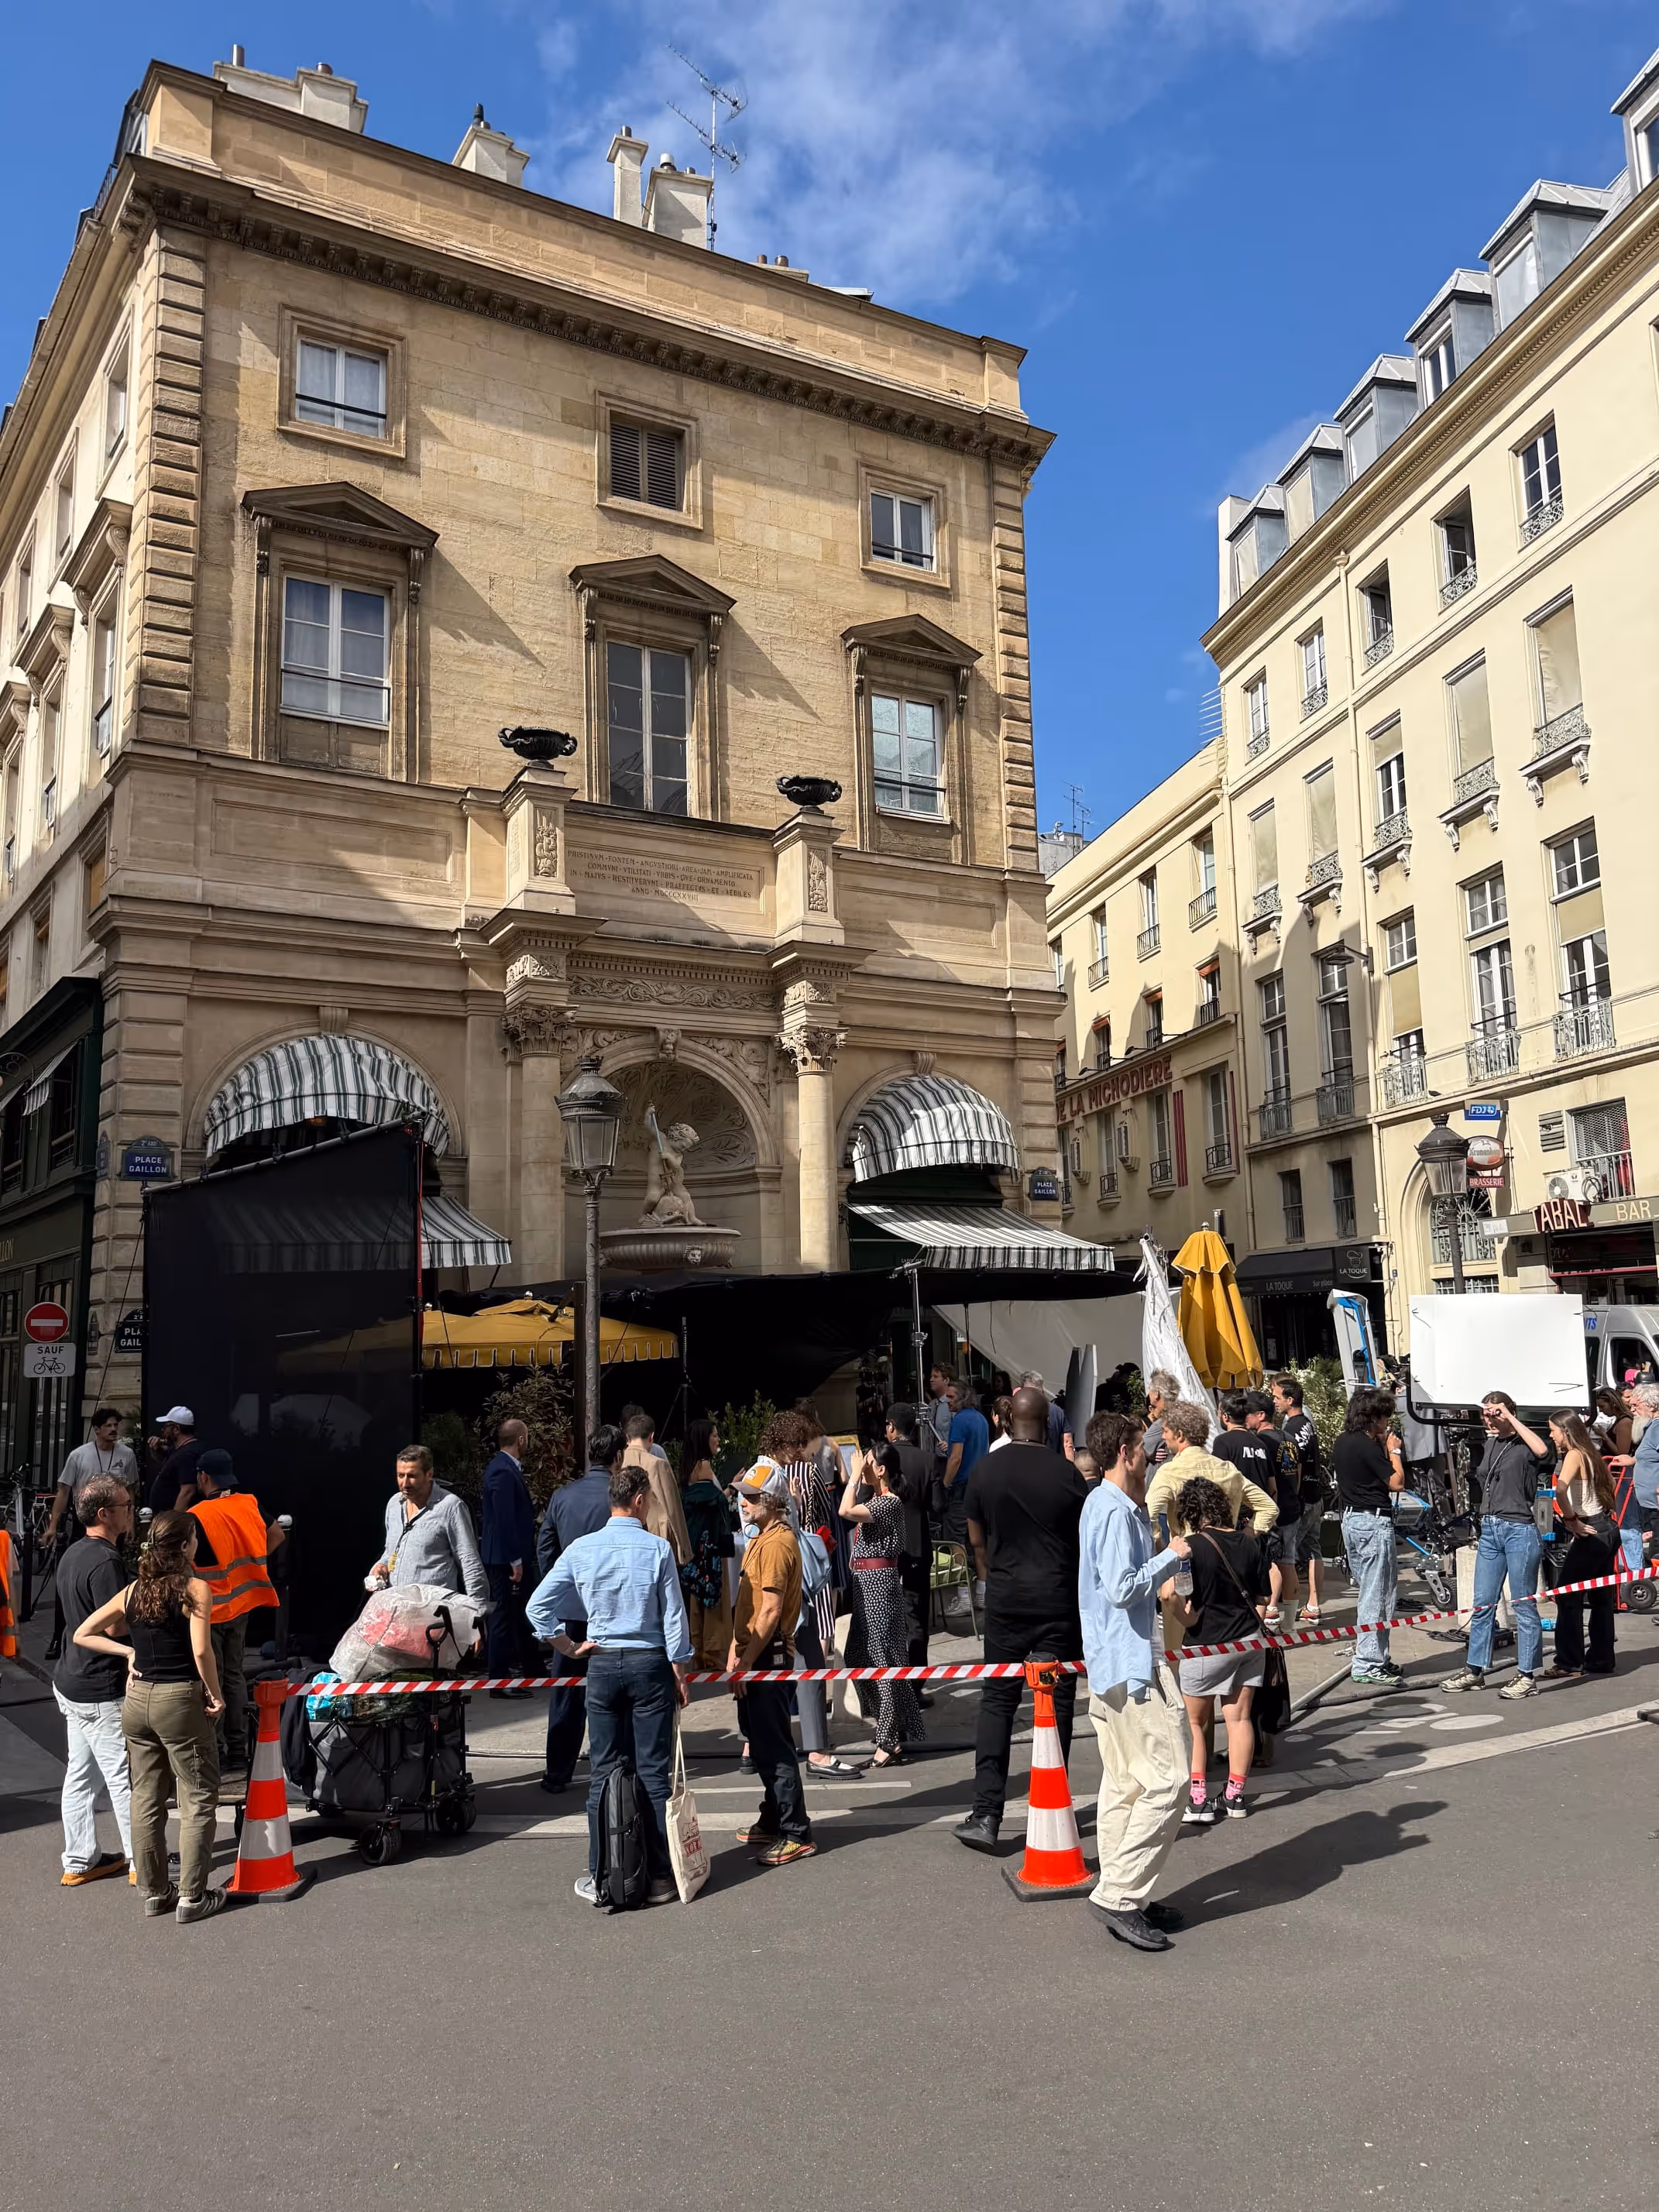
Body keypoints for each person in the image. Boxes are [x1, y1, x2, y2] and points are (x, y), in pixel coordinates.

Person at [526, 1460, 692, 1907]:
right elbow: (674, 1616)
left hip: (600, 1663)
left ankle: (602, 1873)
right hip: (649, 1663)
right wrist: (680, 1670)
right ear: (638, 1500)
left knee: (603, 1772)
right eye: (650, 1500)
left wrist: (567, 1646)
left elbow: (537, 1607)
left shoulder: (582, 1549)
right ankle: (660, 1877)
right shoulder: (657, 1550)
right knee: (653, 1774)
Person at [953, 1384, 1089, 1853]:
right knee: (1059, 1700)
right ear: (1049, 1424)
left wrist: (991, 1574)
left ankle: (987, 1812)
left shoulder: (986, 1469)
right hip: (1057, 1599)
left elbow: (975, 1539)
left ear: (1008, 1421)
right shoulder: (1067, 1474)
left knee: (999, 1702)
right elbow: (1081, 1540)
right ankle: (1055, 1801)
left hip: (1007, 1599)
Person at [73, 1510, 227, 1923]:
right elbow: (201, 1651)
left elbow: (83, 1633)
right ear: (183, 1546)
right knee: (196, 1797)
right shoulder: (196, 1589)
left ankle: (155, 1892)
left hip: (136, 1700)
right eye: (193, 1537)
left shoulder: (133, 1591)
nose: (196, 1543)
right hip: (179, 1700)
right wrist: (215, 1695)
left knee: (146, 1797)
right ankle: (193, 1897)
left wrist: (129, 1653)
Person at [1077, 1409, 1192, 1953]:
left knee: (1125, 1783)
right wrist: (1171, 1556)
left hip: (1111, 1662)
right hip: (1130, 1663)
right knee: (1169, 1780)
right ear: (1126, 1453)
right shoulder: (1117, 1511)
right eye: (1143, 1449)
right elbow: (1124, 1588)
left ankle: (1123, 1891)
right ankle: (1122, 1894)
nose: (1149, 1456)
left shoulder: (1103, 1504)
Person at [761, 1410, 864, 1779]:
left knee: (777, 1659)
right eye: (798, 1445)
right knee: (808, 1655)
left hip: (777, 1578)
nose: (802, 1452)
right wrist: (793, 1504)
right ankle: (816, 1750)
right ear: (787, 1444)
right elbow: (790, 1523)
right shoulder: (779, 1476)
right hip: (793, 1576)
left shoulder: (759, 1472)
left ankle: (756, 1744)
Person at [1167, 1472, 1269, 1827]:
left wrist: (1188, 1619)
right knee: (1239, 1719)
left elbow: (1171, 1596)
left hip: (1204, 1646)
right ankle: (1235, 1794)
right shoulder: (1249, 1543)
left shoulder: (1191, 1547)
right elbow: (1263, 1595)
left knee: (1195, 1722)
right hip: (1249, 1643)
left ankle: (1198, 1800)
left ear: (1191, 1512)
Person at [51, 1473, 136, 1887]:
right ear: (105, 1514)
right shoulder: (106, 1561)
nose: (130, 1511)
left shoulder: (73, 1553)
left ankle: (80, 1860)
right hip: (100, 1688)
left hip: (71, 1680)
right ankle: (143, 1864)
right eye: (125, 1505)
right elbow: (116, 1627)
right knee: (123, 1777)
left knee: (80, 1775)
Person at [729, 1464, 816, 1867]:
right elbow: (748, 1609)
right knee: (760, 1739)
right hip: (756, 1653)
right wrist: (736, 1647)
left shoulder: (779, 1543)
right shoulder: (761, 1538)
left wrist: (745, 1658)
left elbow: (770, 1611)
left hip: (769, 1654)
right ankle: (774, 1818)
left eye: (749, 1495)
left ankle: (796, 1831)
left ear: (770, 1501)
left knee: (773, 1744)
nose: (742, 1501)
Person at [1441, 1393, 1554, 1699]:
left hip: (1519, 1529)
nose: (1489, 1420)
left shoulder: (1524, 1444)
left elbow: (1543, 1451)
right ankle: (1475, 1669)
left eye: (1495, 1414)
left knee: (1523, 1605)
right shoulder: (1490, 1443)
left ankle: (1527, 1675)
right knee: (1482, 1604)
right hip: (1491, 1528)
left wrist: (1510, 1417)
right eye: (1487, 1415)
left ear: (1510, 1412)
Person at [1145, 1400, 1276, 1661]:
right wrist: (1246, 1535)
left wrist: (1161, 1549)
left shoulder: (1169, 1472)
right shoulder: (1226, 1469)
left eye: (1166, 1432)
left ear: (1180, 1435)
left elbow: (1147, 1516)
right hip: (1230, 1565)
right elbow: (1269, 1507)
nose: (1163, 1437)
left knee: (1182, 1656)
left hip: (1187, 1567)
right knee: (1232, 1648)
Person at [535, 1425, 623, 1792]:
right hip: (611, 1608)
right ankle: (613, 1769)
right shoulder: (619, 1498)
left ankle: (558, 1772)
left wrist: (559, 1587)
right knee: (613, 1691)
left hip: (570, 1608)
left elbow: (545, 1547)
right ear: (618, 1457)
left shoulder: (563, 1496)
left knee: (567, 1692)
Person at [188, 1448, 281, 1767]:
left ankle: (215, 1749)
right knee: (235, 1676)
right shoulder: (249, 1503)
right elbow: (278, 1535)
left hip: (210, 1610)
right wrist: (254, 1566)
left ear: (204, 1477)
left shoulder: (198, 1514)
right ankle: (240, 1751)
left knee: (209, 1679)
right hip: (242, 1604)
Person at [840, 1444, 925, 1767]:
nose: (863, 1465)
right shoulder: (877, 1499)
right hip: (866, 1585)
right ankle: (889, 1722)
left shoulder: (888, 1503)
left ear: (881, 1469)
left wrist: (852, 1482)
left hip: (879, 1584)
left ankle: (889, 1737)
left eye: (869, 1462)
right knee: (858, 1654)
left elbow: (845, 1511)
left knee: (881, 1658)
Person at [1332, 1386, 1406, 1689]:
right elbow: (1397, 1482)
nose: (1387, 1424)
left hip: (1352, 1519)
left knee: (1370, 1591)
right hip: (1373, 1521)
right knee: (1378, 1595)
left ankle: (1375, 1655)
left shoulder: (1343, 1441)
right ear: (1372, 1417)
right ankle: (1369, 1661)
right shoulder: (1368, 1446)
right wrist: (1394, 1451)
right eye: (1384, 1417)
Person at [368, 1444, 489, 1609]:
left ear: (429, 1474)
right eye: (400, 1475)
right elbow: (391, 1553)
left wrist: (478, 1614)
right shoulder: (394, 1504)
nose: (405, 1483)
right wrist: (381, 1566)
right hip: (397, 1612)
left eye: (412, 1476)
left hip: (433, 1615)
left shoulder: (450, 1507)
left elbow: (469, 1562)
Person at [1546, 1411, 1618, 1679]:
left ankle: (1568, 1662)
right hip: (1606, 1527)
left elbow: (1560, 1489)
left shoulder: (1574, 1454)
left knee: (1567, 1594)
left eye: (1553, 1430)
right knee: (1600, 1597)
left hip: (1590, 1530)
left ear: (1566, 1430)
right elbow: (1610, 1483)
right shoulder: (1592, 1452)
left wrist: (1572, 1520)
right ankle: (1601, 1659)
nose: (1551, 1436)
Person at [481, 1419, 537, 1696]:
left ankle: (530, 1670)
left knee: (519, 1613)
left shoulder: (505, 1468)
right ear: (521, 1440)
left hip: (509, 1556)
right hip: (504, 1559)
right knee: (503, 1616)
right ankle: (498, 1680)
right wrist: (514, 1558)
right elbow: (504, 1518)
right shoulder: (502, 1471)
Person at [678, 1417, 735, 1671]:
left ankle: (699, 1649)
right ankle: (714, 1650)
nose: (718, 1439)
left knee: (697, 1601)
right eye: (714, 1435)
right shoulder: (703, 1466)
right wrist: (731, 1490)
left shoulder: (688, 1465)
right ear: (704, 1438)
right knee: (714, 1599)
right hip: (709, 1547)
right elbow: (714, 1503)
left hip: (695, 1547)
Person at [883, 1401, 935, 1668]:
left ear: (892, 1427)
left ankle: (894, 1684)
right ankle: (916, 1682)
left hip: (885, 1549)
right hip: (918, 1546)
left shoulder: (880, 1458)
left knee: (886, 1618)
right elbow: (938, 1506)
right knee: (917, 1618)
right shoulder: (927, 1460)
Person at [1273, 1373, 1328, 1624]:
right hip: (1315, 1494)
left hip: (1302, 1499)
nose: (1274, 1402)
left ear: (1290, 1399)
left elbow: (1295, 1467)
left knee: (1286, 1554)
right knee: (1313, 1550)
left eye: (1277, 1397)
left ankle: (1277, 1611)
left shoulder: (1292, 1429)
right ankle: (1313, 1604)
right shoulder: (1307, 1423)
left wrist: (1292, 1496)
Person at [1244, 1389, 1301, 1625]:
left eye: (1248, 1413)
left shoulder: (1261, 1442)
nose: (1245, 1418)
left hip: (1276, 1510)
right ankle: (1288, 1624)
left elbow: (1267, 1482)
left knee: (1275, 1565)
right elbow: (1297, 1472)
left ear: (1260, 1415)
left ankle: (1274, 1616)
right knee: (1288, 1564)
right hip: (1292, 1506)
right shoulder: (1287, 1436)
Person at [623, 1410, 691, 1565]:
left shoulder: (618, 1461)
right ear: (652, 1437)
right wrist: (683, 1550)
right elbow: (672, 1507)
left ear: (627, 1438)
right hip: (654, 1538)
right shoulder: (657, 1464)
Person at [146, 1408, 204, 1513]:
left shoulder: (187, 1454)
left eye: (165, 1427)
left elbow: (188, 1491)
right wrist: (155, 1448)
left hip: (173, 1520)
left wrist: (174, 1521)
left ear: (176, 1429)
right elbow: (161, 1459)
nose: (163, 1430)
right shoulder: (179, 1449)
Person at [1141, 1369, 1182, 1468]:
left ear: (1156, 1394)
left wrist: (1148, 1455)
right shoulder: (1183, 1415)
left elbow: (1135, 1449)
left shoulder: (1164, 1421)